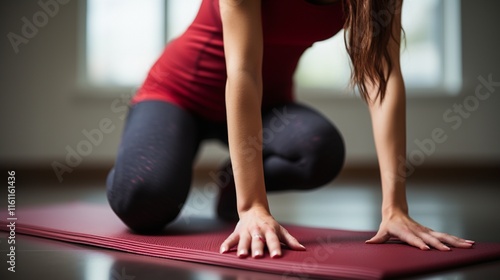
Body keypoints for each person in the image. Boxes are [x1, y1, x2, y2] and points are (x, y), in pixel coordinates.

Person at [106, 0, 475, 259]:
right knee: (143, 200)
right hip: (177, 95)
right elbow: (244, 75)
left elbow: (384, 76)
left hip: (268, 106)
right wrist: (252, 207)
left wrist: (395, 207)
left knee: (320, 150)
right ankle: (165, 167)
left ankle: (231, 183)